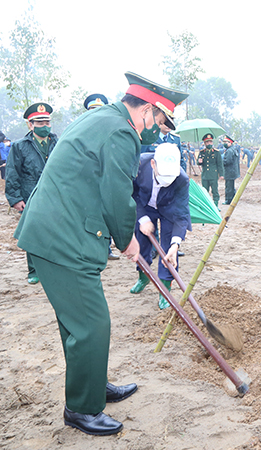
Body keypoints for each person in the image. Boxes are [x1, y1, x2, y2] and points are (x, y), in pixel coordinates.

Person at [14, 71, 188, 435]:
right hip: (63, 237)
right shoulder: (121, 131)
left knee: (77, 323)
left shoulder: (102, 118)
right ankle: (82, 409)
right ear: (146, 110)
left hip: (57, 230)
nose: (156, 130)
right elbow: (116, 193)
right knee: (93, 324)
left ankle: (92, 384)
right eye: (158, 121)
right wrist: (128, 239)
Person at [129, 143, 191, 309]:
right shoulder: (139, 165)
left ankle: (165, 290)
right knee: (141, 242)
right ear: (153, 164)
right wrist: (142, 218)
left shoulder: (182, 179)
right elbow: (131, 193)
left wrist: (175, 244)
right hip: (144, 205)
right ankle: (143, 276)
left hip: (168, 210)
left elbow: (181, 214)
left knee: (168, 249)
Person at [6, 102, 59, 284]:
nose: (44, 126)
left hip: (55, 196)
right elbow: (12, 173)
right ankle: (34, 270)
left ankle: (53, 267)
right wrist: (15, 198)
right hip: (30, 196)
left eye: (47, 122)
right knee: (33, 234)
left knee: (56, 231)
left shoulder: (58, 143)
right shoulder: (20, 146)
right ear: (31, 124)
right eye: (40, 123)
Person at [84, 94, 121, 261]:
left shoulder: (112, 132)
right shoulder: (81, 132)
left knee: (106, 217)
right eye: (92, 110)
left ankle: (106, 249)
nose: (95, 114)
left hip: (105, 183)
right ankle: (90, 251)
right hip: (86, 184)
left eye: (99, 110)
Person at [198, 133, 224, 206]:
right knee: (205, 191)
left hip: (213, 175)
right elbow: (199, 162)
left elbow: (220, 164)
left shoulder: (216, 152)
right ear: (204, 143)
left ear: (212, 142)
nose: (209, 143)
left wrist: (221, 174)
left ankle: (216, 205)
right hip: (205, 175)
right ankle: (206, 205)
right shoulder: (201, 152)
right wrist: (199, 162)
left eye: (210, 142)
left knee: (215, 191)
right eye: (207, 142)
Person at [222, 135, 239, 205]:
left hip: (229, 171)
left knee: (229, 187)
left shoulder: (229, 151)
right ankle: (234, 199)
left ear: (230, 142)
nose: (224, 143)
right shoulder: (233, 149)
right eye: (224, 142)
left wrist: (220, 162)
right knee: (231, 186)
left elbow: (227, 162)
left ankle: (228, 200)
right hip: (233, 171)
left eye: (226, 142)